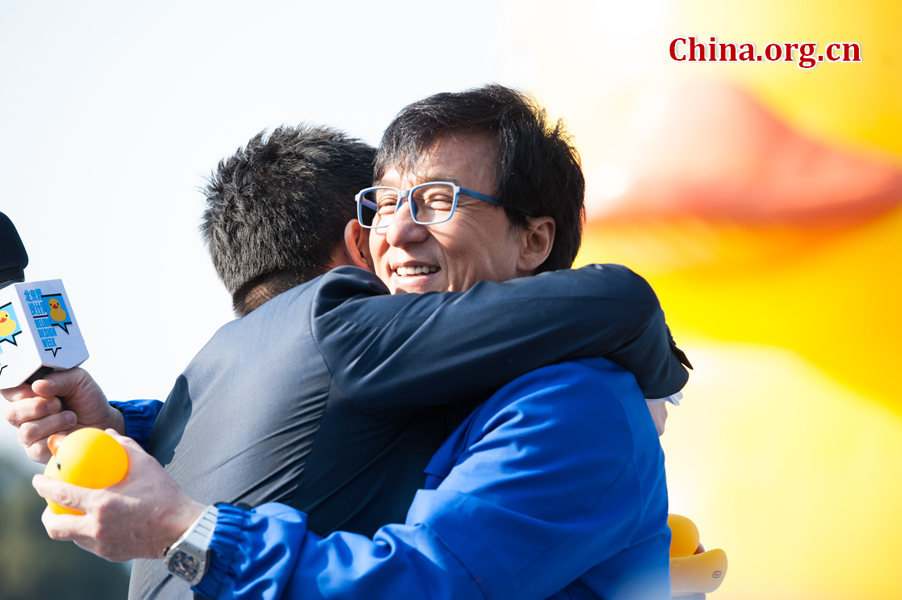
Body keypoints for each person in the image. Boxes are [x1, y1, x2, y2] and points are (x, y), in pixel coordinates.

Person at [9, 85, 689, 598]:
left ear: (535, 240)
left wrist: (190, 532)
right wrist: (129, 428)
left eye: (437, 201)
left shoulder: (572, 403)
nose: (394, 234)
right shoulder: (451, 388)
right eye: (386, 204)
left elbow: (427, 583)